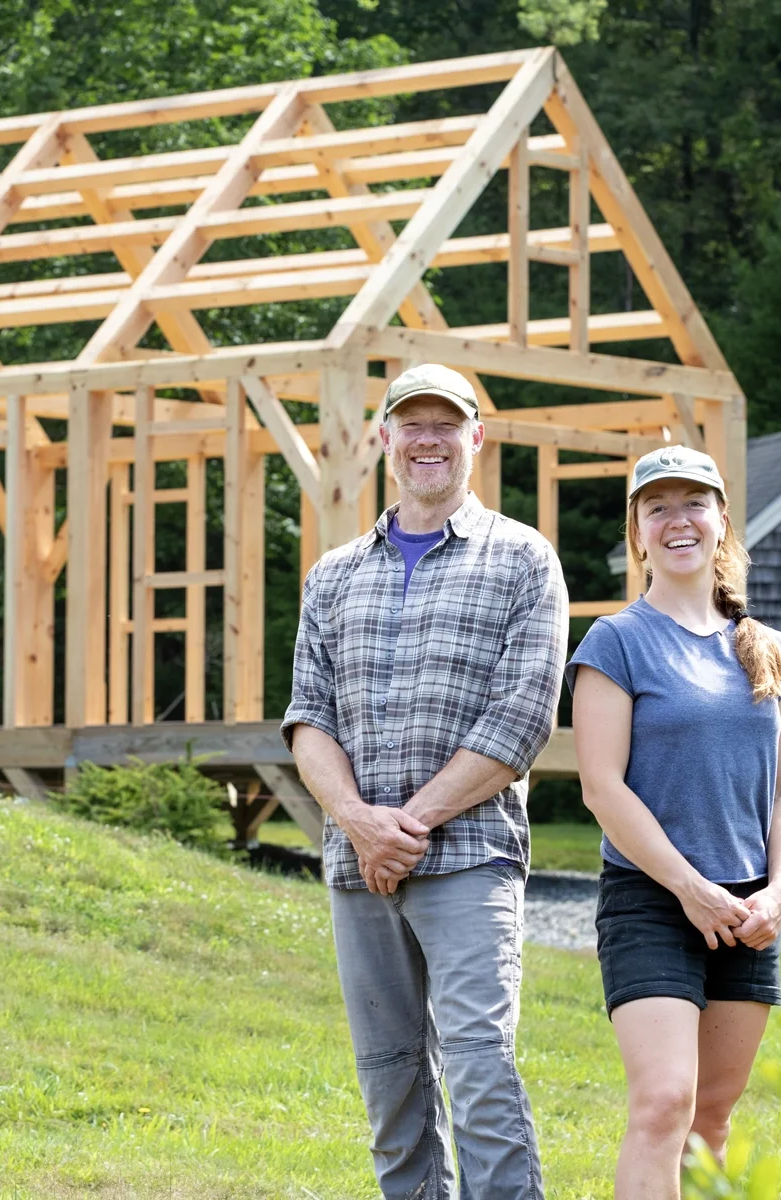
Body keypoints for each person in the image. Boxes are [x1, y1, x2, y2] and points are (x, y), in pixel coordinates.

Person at [282, 363, 568, 1200]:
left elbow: (521, 721)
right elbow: (310, 718)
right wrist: (356, 823)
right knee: (390, 1083)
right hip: (356, 869)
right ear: (385, 439)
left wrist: (401, 825)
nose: (429, 439)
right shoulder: (332, 575)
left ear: (476, 438)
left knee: (482, 1073)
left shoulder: (523, 559)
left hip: (472, 859)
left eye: (448, 424)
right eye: (413, 423)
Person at [565, 445, 781, 1199]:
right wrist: (688, 887)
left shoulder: (766, 648)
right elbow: (603, 789)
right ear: (637, 532)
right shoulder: (616, 641)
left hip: (747, 909)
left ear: (721, 520)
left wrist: (780, 893)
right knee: (665, 1101)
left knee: (713, 1116)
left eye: (693, 503)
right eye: (657, 507)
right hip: (652, 899)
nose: (678, 520)